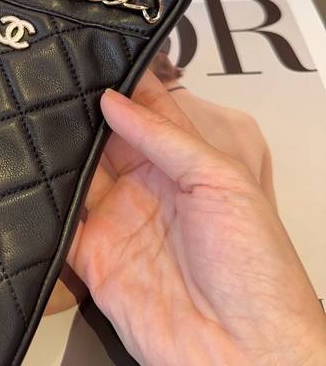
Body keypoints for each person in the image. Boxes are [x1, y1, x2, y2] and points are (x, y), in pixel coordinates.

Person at [48, 66, 326, 365]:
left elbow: (65, 287)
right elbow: (269, 229)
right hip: (151, 318)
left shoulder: (107, 140)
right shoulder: (241, 123)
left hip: (120, 323)